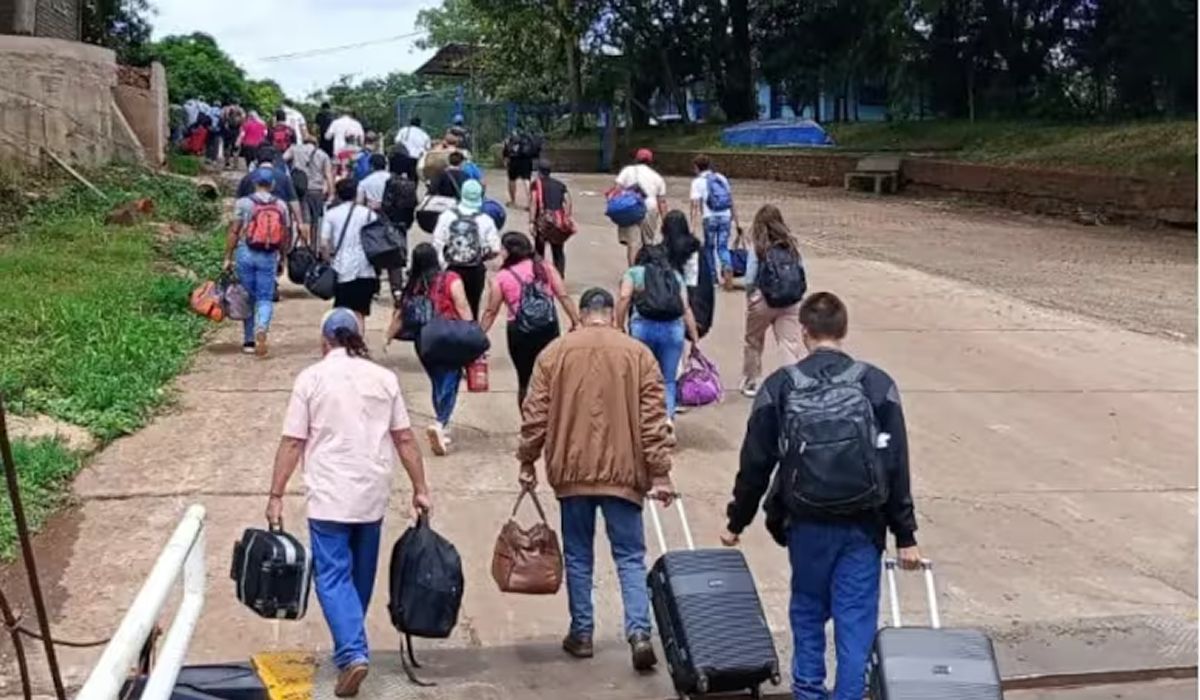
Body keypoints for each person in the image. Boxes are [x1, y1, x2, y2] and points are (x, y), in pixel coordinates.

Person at [721, 291, 921, 700]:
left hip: (806, 524)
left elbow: (756, 462)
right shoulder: (877, 384)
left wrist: (737, 521)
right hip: (863, 526)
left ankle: (808, 692)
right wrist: (905, 535)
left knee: (808, 612)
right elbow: (895, 462)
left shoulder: (781, 386)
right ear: (843, 330)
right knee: (855, 622)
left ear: (805, 331)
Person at [267, 307, 432, 698]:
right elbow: (404, 438)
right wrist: (420, 487)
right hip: (371, 494)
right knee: (359, 576)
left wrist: (276, 494)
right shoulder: (384, 378)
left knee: (331, 577)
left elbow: (293, 442)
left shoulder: (311, 379)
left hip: (329, 496)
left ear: (324, 341)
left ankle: (352, 652)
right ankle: (351, 648)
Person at [517, 287, 675, 671]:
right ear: (612, 314)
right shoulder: (639, 355)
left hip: (572, 474)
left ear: (582, 313)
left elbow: (535, 414)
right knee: (630, 557)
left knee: (578, 555)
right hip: (625, 474)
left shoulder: (554, 353)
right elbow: (654, 421)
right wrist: (661, 473)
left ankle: (582, 633)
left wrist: (527, 459)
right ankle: (639, 633)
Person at [615, 214, 702, 436]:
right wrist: (694, 338)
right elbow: (686, 308)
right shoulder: (674, 275)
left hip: (642, 327)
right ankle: (667, 419)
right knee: (668, 379)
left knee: (640, 377)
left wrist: (618, 326)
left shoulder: (635, 273)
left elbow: (624, 298)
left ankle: (640, 421)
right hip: (672, 329)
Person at [387, 243, 474, 457]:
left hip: (423, 340)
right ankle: (441, 422)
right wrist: (471, 330)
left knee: (438, 380)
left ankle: (441, 424)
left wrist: (388, 337)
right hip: (448, 335)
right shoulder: (450, 279)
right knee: (451, 379)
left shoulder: (414, 285)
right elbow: (462, 305)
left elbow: (401, 313)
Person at [480, 232, 580, 407]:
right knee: (549, 375)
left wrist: (479, 334)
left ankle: (527, 418)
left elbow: (491, 311)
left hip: (520, 331)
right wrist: (576, 321)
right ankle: (550, 415)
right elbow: (563, 295)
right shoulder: (544, 267)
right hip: (548, 326)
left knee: (525, 379)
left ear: (509, 251)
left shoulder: (502, 277)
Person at [740, 204, 806, 398]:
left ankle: (751, 380)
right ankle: (792, 382)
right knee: (789, 343)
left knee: (753, 340)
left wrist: (751, 297)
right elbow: (801, 272)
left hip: (763, 299)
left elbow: (750, 277)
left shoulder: (758, 246)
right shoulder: (791, 245)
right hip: (790, 300)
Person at [222, 168, 289, 356]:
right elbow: (284, 234)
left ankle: (249, 341)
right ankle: (262, 328)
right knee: (265, 297)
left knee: (248, 296)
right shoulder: (281, 205)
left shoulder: (243, 203)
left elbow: (235, 231)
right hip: (268, 254)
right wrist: (282, 256)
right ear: (272, 185)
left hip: (245, 252)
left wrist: (227, 256)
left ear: (254, 183)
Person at [431, 179, 501, 319]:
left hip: (451, 268)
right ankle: (470, 329)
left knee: (449, 306)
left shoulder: (446, 216)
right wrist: (481, 256)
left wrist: (442, 265)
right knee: (472, 305)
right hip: (475, 270)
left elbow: (437, 243)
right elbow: (495, 249)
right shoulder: (486, 220)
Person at [323, 178, 382, 319]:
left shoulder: (331, 214)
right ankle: (359, 334)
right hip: (366, 269)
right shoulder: (369, 214)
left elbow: (324, 243)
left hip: (342, 267)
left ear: (338, 195)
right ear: (356, 194)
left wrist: (328, 260)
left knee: (342, 312)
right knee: (360, 313)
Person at [689, 155, 741, 290]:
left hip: (709, 218)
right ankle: (727, 266)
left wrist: (692, 227)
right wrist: (737, 222)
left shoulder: (697, 182)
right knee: (723, 247)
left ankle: (713, 279)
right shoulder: (721, 178)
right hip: (725, 217)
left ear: (696, 167)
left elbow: (695, 206)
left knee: (709, 248)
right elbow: (731, 200)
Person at [236, 146, 305, 242]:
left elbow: (238, 205)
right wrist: (300, 222)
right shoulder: (284, 178)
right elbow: (293, 201)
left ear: (257, 160)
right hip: (276, 230)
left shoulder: (247, 178)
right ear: (273, 160)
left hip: (251, 232)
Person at [614, 149, 668, 266]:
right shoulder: (657, 177)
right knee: (648, 243)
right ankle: (646, 270)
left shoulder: (627, 171)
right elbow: (662, 202)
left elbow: (617, 190)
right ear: (650, 161)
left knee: (633, 244)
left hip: (631, 208)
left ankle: (633, 272)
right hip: (650, 208)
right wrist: (665, 220)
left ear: (636, 159)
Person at [528, 159, 571, 278]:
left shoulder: (536, 184)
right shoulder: (560, 185)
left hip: (543, 222)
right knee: (558, 250)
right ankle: (559, 277)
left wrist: (531, 221)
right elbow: (568, 201)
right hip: (558, 221)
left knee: (539, 250)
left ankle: (539, 276)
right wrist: (566, 217)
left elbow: (533, 202)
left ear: (539, 172)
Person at [285, 134, 335, 236]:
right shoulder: (323, 154)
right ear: (316, 144)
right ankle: (313, 242)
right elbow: (328, 175)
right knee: (315, 220)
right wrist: (331, 193)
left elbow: (283, 158)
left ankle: (303, 241)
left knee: (302, 219)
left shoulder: (295, 149)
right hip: (316, 190)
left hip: (299, 189)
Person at [502, 128, 540, 208]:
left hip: (514, 160)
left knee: (512, 180)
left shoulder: (512, 136)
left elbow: (506, 150)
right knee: (526, 180)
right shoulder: (527, 136)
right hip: (526, 160)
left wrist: (506, 160)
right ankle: (530, 203)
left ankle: (513, 201)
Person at [221, 103, 246, 170]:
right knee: (236, 148)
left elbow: (223, 118)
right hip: (236, 131)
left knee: (227, 147)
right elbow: (243, 120)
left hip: (228, 131)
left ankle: (227, 163)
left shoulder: (227, 109)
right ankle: (235, 165)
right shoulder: (240, 110)